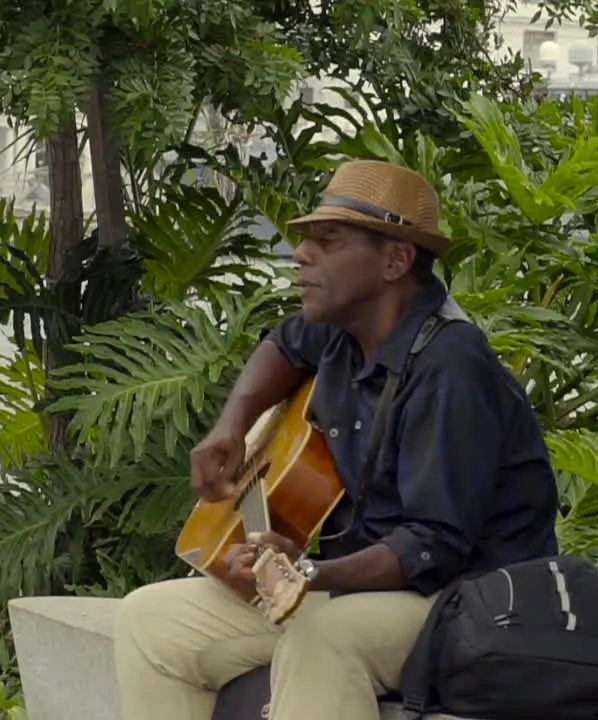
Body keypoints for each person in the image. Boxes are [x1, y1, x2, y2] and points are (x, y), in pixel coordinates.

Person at [112, 159, 561, 720]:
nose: (302, 255)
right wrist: (231, 425)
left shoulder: (450, 367)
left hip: (467, 603)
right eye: (306, 241)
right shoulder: (342, 327)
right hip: (368, 586)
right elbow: (283, 344)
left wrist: (307, 573)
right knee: (150, 622)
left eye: (328, 241)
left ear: (395, 260)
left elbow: (433, 546)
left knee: (323, 636)